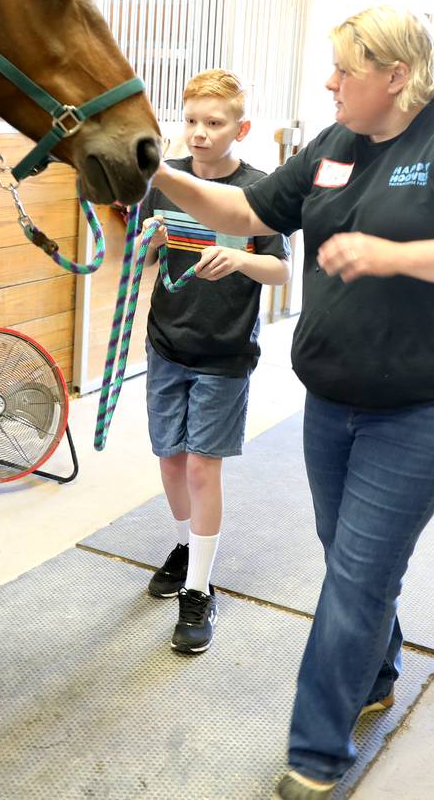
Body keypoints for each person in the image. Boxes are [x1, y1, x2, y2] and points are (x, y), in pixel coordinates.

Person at [144, 6, 434, 799]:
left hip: (432, 402)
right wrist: (155, 170)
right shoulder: (335, 146)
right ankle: (382, 664)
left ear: (396, 76)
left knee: (357, 571)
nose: (328, 82)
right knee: (348, 552)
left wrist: (394, 254)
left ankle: (316, 752)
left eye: (344, 70)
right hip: (332, 399)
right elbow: (249, 213)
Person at [139, 69, 290, 655]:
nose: (199, 133)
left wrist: (241, 260)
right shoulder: (168, 182)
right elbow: (145, 256)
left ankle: (199, 589)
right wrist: (148, 239)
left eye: (214, 123)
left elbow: (282, 269)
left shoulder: (259, 191)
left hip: (224, 351)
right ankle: (184, 545)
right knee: (171, 460)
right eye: (193, 121)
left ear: (241, 128)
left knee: (204, 466)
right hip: (166, 344)